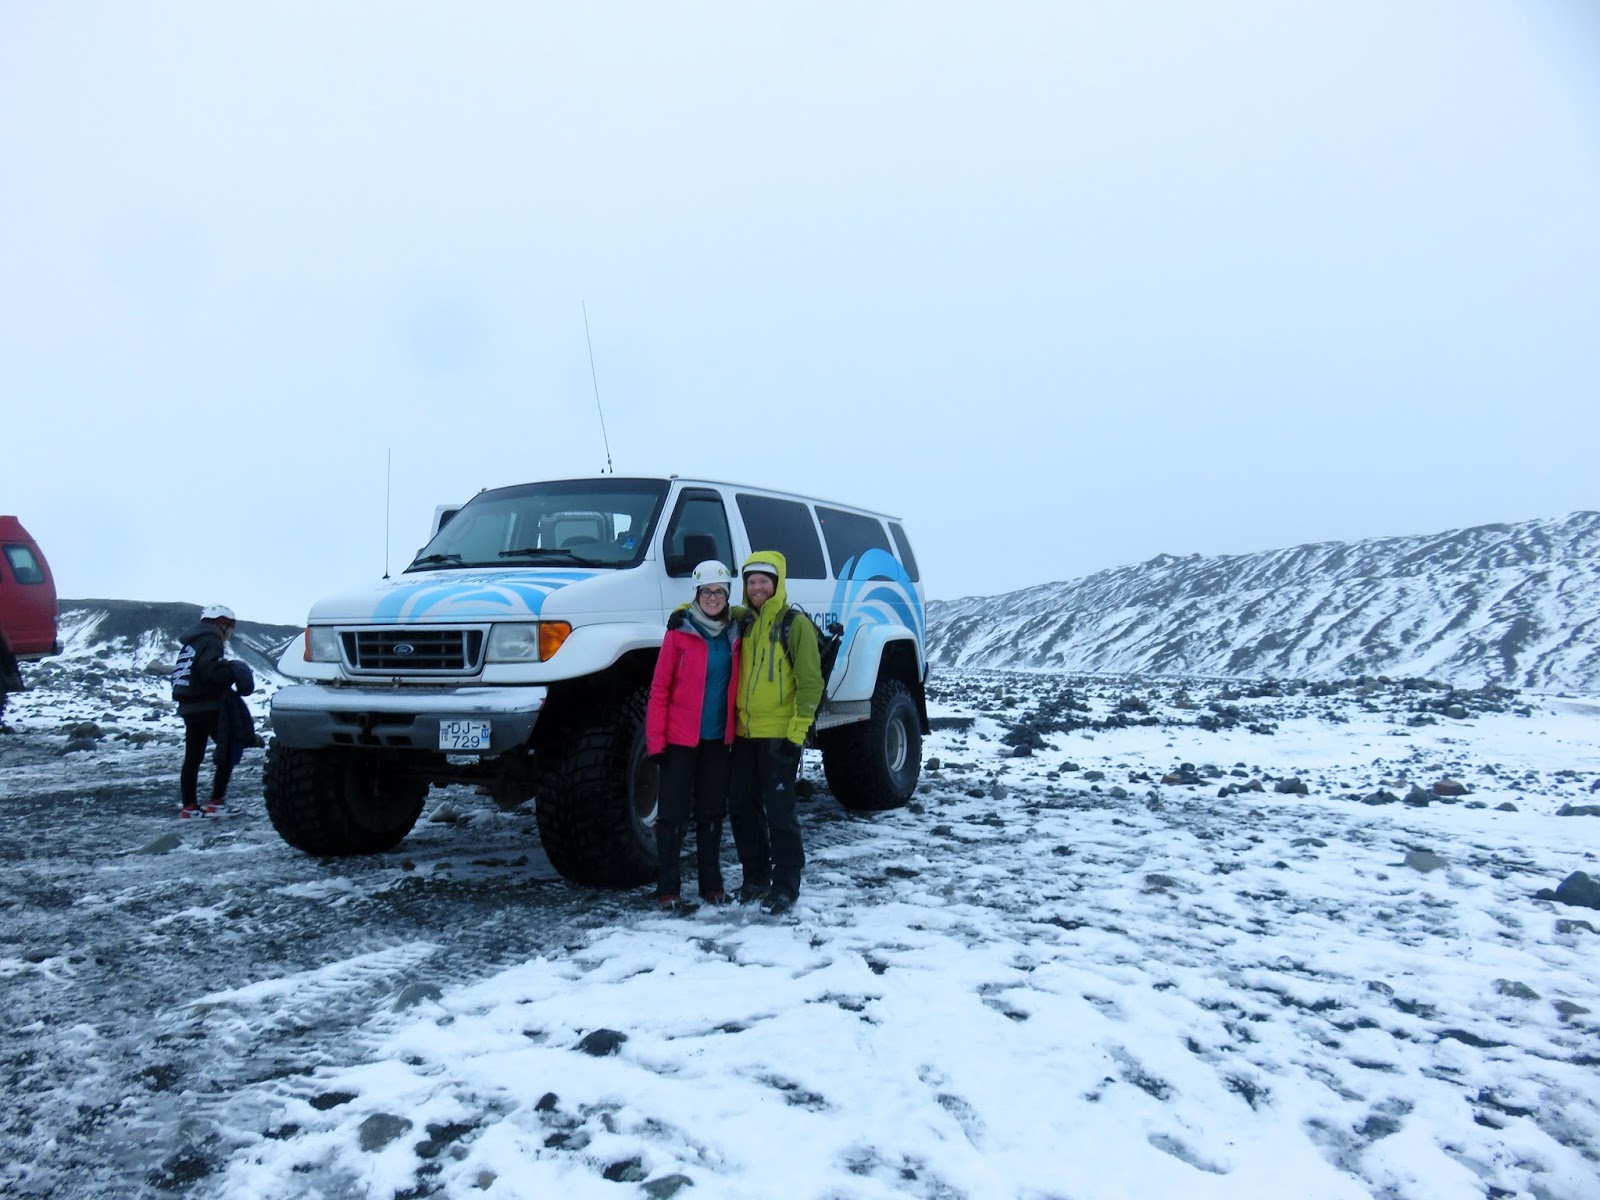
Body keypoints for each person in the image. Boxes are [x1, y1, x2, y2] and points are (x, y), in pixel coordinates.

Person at [728, 551, 823, 915]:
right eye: (751, 582)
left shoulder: (794, 624)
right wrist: (682, 611)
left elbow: (810, 683)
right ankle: (755, 878)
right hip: (744, 734)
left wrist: (797, 733)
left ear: (777, 583)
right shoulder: (745, 620)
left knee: (780, 812)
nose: (757, 588)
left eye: (764, 581)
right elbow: (708, 602)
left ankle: (786, 885)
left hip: (779, 736)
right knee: (742, 808)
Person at [646, 561, 740, 911]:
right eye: (706, 592)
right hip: (679, 741)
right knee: (672, 816)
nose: (713, 598)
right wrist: (656, 742)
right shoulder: (679, 632)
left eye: (719, 592)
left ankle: (711, 886)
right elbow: (659, 689)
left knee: (711, 814)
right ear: (696, 595)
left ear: (727, 595)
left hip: (717, 741)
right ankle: (668, 888)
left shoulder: (735, 633)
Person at [171, 604, 255, 818]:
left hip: (189, 707)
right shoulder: (211, 639)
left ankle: (189, 807)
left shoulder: (191, 643)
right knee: (229, 749)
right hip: (209, 705)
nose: (230, 633)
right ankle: (216, 803)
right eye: (231, 627)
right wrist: (231, 670)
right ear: (222, 624)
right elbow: (210, 672)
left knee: (193, 757)